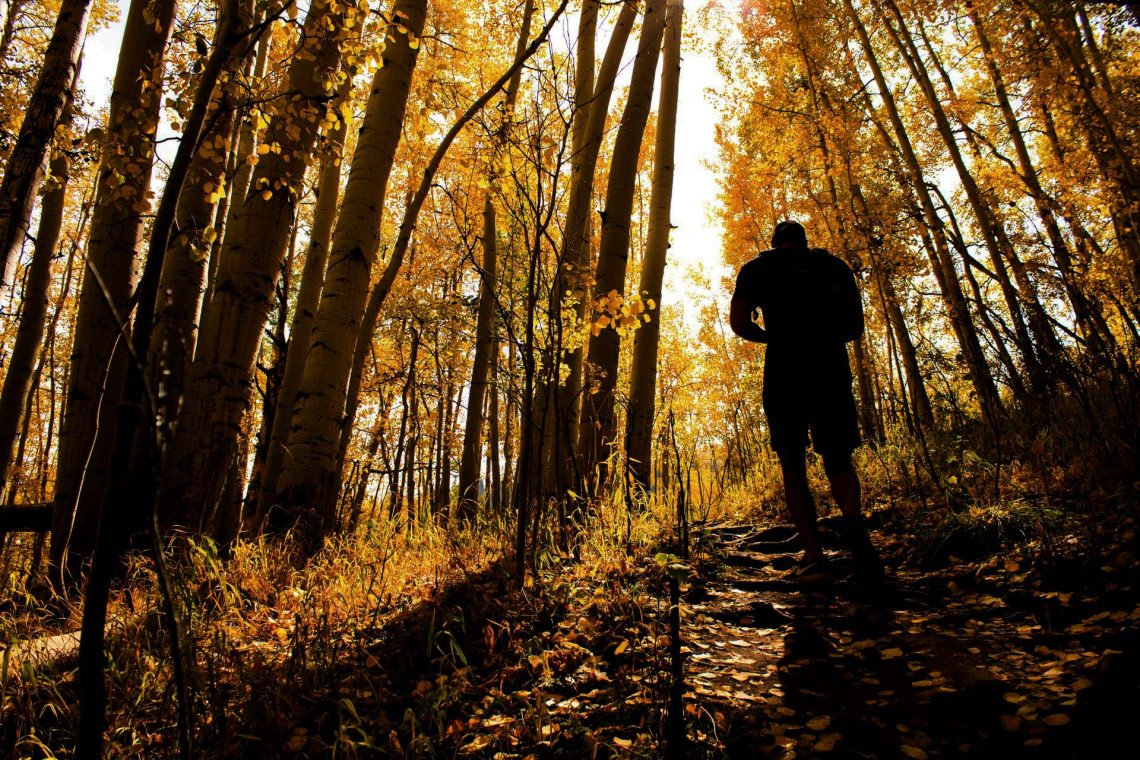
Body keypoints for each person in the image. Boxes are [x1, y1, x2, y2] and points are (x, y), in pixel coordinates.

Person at [729, 221, 883, 584]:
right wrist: (824, 336)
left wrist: (771, 338)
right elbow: (855, 327)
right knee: (838, 458)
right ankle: (858, 543)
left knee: (792, 462)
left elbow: (738, 322)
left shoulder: (756, 268)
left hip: (784, 371)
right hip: (830, 367)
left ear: (774, 242)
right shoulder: (833, 266)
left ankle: (814, 556)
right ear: (803, 241)